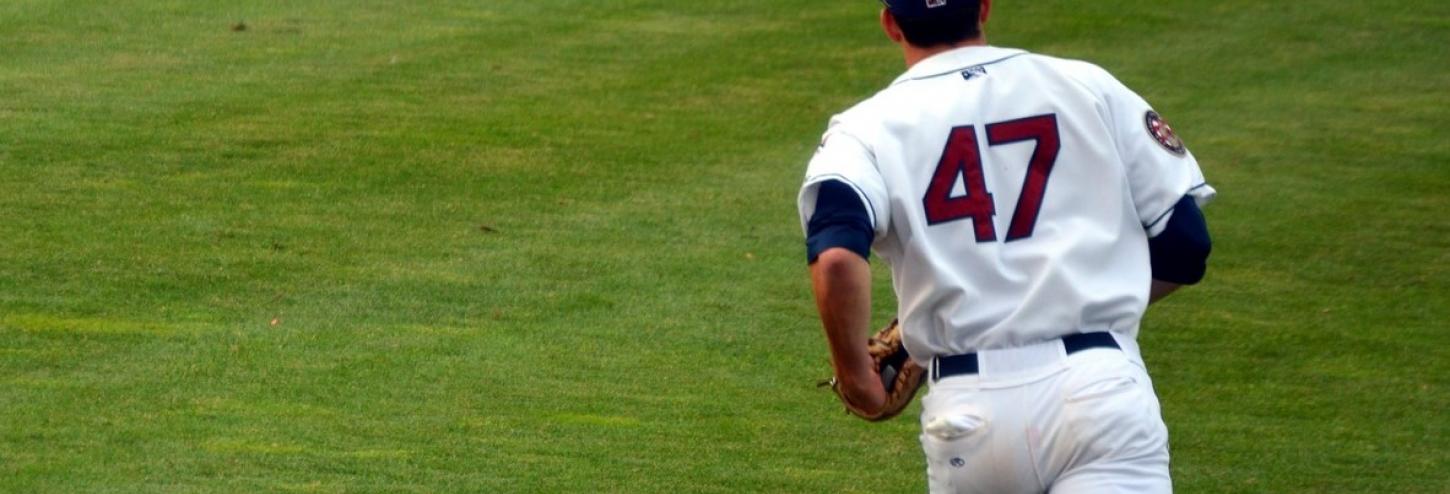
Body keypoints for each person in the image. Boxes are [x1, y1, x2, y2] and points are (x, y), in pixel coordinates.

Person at [797, 0, 1214, 492]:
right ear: (984, 8)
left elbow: (838, 257)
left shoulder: (865, 127)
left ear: (890, 24)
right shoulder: (1087, 86)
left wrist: (855, 375)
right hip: (1100, 392)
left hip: (972, 409)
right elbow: (1186, 244)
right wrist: (1069, 299)